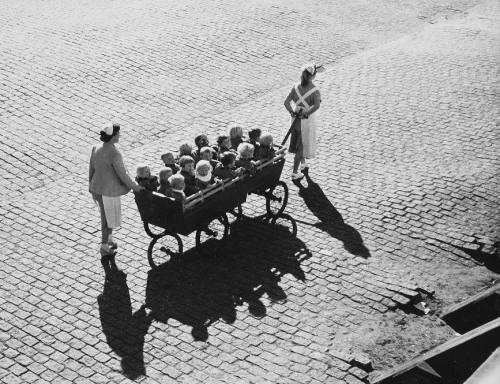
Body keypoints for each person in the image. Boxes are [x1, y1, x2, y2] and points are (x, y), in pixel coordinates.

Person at [89, 122, 143, 259]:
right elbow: (122, 174)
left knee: (108, 217)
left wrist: (91, 185)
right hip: (109, 191)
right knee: (107, 219)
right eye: (118, 133)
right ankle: (104, 246)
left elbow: (91, 169)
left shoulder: (96, 147)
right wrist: (135, 187)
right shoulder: (114, 153)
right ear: (113, 136)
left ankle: (109, 240)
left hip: (97, 187)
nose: (120, 135)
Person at [284, 63, 323, 180]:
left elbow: (286, 102)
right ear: (313, 76)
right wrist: (306, 114)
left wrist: (292, 112)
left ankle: (303, 163)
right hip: (306, 119)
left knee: (298, 140)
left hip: (295, 117)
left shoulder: (295, 87)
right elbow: (316, 106)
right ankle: (295, 172)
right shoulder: (315, 90)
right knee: (301, 145)